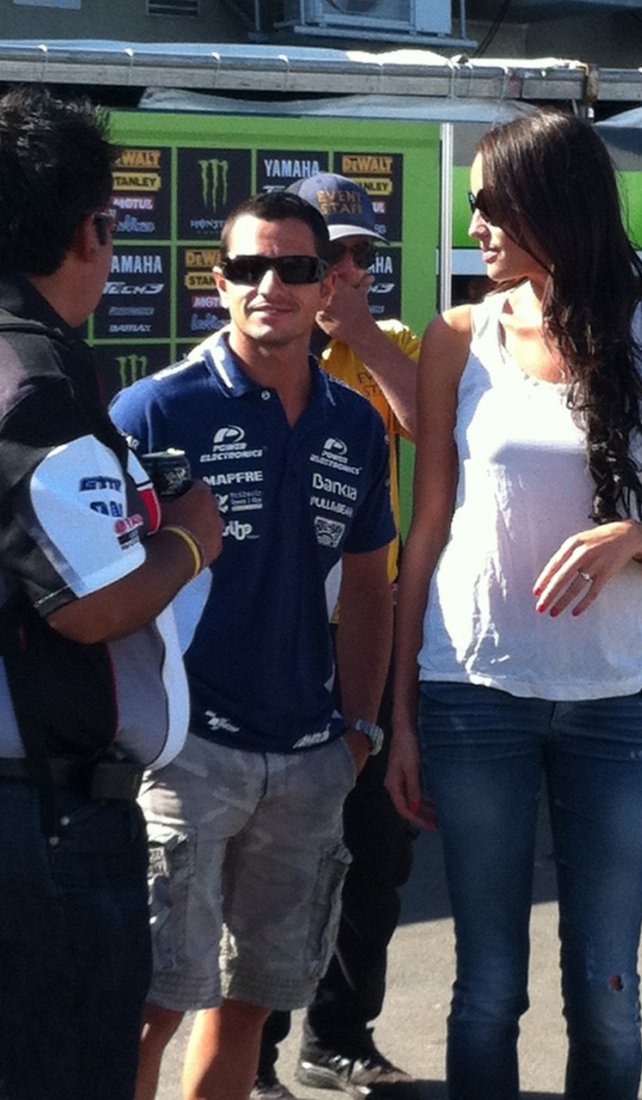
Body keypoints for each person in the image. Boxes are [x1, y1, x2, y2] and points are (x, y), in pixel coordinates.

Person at [385, 108, 642, 1100]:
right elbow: (426, 529)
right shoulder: (457, 338)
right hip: (470, 693)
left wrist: (638, 541)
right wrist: (399, 714)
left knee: (606, 991)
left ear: (550, 204)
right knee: (487, 985)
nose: (474, 225)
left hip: (615, 702)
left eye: (489, 204)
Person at [109, 189, 395, 1100]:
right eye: (247, 267)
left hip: (309, 755)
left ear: (327, 288)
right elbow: (96, 585)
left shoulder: (355, 422)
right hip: (185, 752)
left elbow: (368, 581)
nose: (270, 284)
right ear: (218, 283)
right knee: (151, 1005)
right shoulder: (154, 410)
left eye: (295, 268)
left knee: (250, 1006)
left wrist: (356, 731)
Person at [0, 85, 222, 1100]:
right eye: (112, 225)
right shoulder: (33, 377)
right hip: (42, 824)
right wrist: (190, 536)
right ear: (85, 229)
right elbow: (87, 604)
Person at [251, 172, 422, 1100]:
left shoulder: (388, 340)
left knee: (377, 846)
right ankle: (255, 1054)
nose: (352, 271)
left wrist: (358, 336)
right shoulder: (255, 342)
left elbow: (430, 430)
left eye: (363, 257)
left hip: (374, 622)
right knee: (277, 846)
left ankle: (339, 1038)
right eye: (335, 256)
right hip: (278, 631)